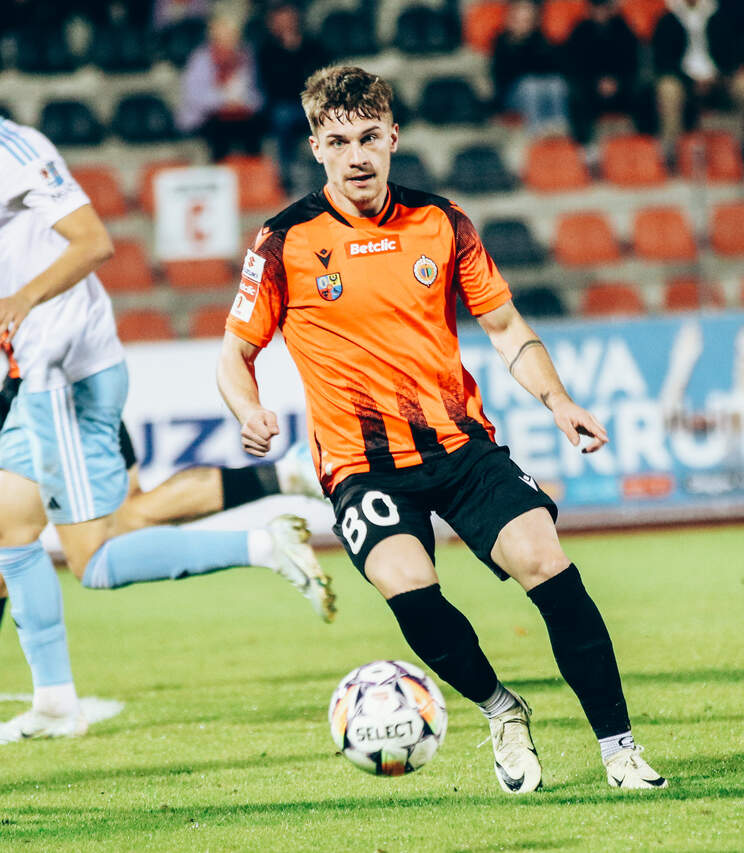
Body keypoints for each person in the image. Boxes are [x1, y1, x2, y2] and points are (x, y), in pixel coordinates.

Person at [0, 31, 332, 745]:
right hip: (40, 374)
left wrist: (20, 300)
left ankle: (263, 544)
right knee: (4, 529)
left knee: (96, 558)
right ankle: (49, 697)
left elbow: (93, 242)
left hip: (69, 376)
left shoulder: (19, 152)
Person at [217, 65, 668, 792]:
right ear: (316, 147)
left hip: (460, 445)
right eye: (340, 142)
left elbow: (504, 325)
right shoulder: (283, 241)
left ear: (393, 138)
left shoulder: (440, 221)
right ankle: (501, 709)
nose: (357, 156)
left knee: (546, 561)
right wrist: (250, 410)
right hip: (362, 464)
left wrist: (558, 400)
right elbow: (235, 354)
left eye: (370, 138)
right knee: (408, 583)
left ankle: (620, 749)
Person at [650, 0, 744, 147]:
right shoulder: (667, 20)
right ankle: (672, 149)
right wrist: (690, 81)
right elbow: (663, 61)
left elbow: (733, 53)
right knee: (668, 89)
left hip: (719, 80)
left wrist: (719, 77)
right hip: (683, 82)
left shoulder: (721, 16)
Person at [177, 6, 267, 161]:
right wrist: (224, 102)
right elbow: (194, 97)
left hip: (240, 114)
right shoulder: (200, 58)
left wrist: (245, 103)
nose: (227, 40)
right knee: (219, 131)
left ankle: (254, 170)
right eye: (222, 34)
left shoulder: (247, 55)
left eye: (231, 34)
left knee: (253, 128)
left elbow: (257, 94)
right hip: (207, 117)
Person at [256, 1, 329, 190]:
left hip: (315, 102)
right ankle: (286, 174)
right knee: (282, 117)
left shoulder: (313, 45)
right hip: (285, 105)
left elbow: (323, 77)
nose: (285, 22)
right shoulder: (267, 50)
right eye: (279, 19)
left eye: (288, 17)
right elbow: (274, 86)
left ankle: (332, 170)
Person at [561, 0, 651, 145]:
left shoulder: (624, 29)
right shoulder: (579, 32)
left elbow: (632, 64)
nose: (600, 13)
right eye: (596, 9)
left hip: (621, 87)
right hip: (590, 88)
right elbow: (574, 66)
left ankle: (645, 140)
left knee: (644, 91)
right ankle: (584, 146)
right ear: (589, 10)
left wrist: (617, 82)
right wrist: (596, 84)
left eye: (604, 8)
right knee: (575, 95)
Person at [489, 0, 569, 136]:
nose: (522, 25)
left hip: (539, 86)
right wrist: (520, 46)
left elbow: (551, 67)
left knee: (557, 83)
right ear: (509, 21)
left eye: (526, 21)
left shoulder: (540, 40)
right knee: (530, 86)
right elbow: (505, 76)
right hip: (511, 94)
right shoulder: (502, 42)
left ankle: (560, 127)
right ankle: (536, 132)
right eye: (518, 21)